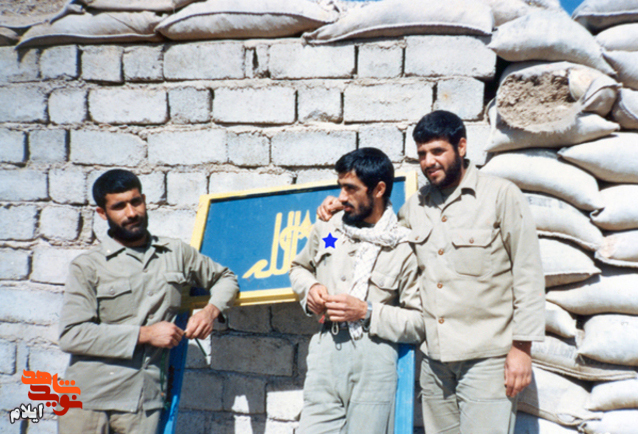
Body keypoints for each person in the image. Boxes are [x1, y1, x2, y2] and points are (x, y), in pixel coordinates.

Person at [317, 111, 545, 434]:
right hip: (434, 363)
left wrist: (522, 349)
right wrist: (341, 209)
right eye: (422, 153)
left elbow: (528, 273)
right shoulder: (415, 207)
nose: (428, 161)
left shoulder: (500, 196)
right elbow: (377, 233)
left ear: (461, 146)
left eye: (438, 151)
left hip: (487, 360)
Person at [58, 169, 239, 434]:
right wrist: (145, 334)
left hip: (143, 401)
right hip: (88, 400)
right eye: (119, 206)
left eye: (136, 202)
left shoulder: (175, 253)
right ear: (102, 213)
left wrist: (209, 312)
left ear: (144, 200)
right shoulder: (87, 266)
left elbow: (226, 278)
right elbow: (71, 335)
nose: (131, 213)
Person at [289, 148, 424, 434]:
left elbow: (418, 323)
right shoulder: (329, 226)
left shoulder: (403, 247)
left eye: (351, 189)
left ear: (379, 189)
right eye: (340, 187)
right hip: (326, 352)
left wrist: (367, 311)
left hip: (374, 360)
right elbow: (298, 268)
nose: (341, 197)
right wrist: (311, 288)